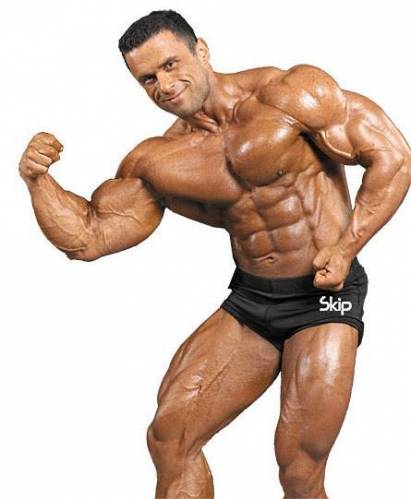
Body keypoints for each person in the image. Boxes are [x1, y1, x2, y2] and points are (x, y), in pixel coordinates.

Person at [18, 9, 410, 499]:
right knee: (170, 437)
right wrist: (37, 181)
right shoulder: (157, 159)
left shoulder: (288, 93)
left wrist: (348, 246)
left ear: (201, 50)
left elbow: (392, 156)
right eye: (147, 79)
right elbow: (89, 237)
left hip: (325, 298)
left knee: (298, 468)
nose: (163, 85)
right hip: (252, 300)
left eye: (170, 65)